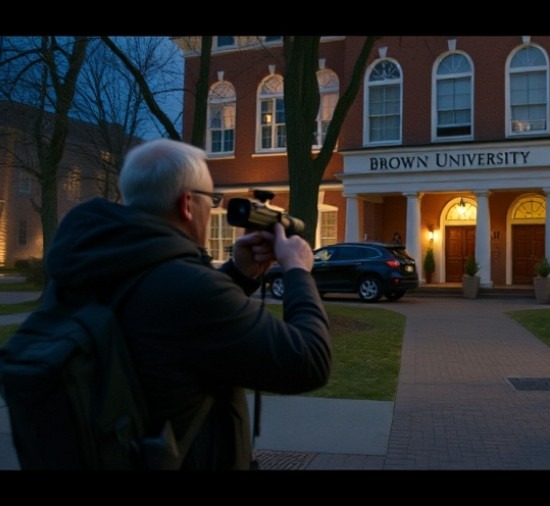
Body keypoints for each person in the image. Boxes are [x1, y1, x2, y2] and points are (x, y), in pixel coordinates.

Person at [42, 138, 332, 469]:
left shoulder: (87, 272)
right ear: (187, 204)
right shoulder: (188, 290)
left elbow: (168, 321)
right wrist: (297, 269)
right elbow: (308, 362)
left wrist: (237, 273)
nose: (212, 208)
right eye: (212, 199)